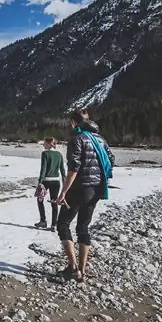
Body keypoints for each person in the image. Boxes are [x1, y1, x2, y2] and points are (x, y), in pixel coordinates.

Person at [53, 109, 114, 282]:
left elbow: (74, 168)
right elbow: (112, 160)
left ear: (74, 122)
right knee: (83, 228)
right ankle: (82, 269)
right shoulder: (101, 140)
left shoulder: (77, 139)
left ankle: (73, 268)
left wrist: (63, 192)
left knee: (63, 224)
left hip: (79, 189)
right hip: (96, 189)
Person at [35, 137, 65, 231]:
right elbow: (62, 170)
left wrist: (40, 182)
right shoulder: (59, 154)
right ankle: (54, 225)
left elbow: (43, 169)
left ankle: (43, 221)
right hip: (56, 182)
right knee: (54, 203)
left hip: (46, 181)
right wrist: (65, 183)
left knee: (40, 200)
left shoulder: (45, 154)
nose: (43, 145)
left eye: (44, 143)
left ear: (49, 143)